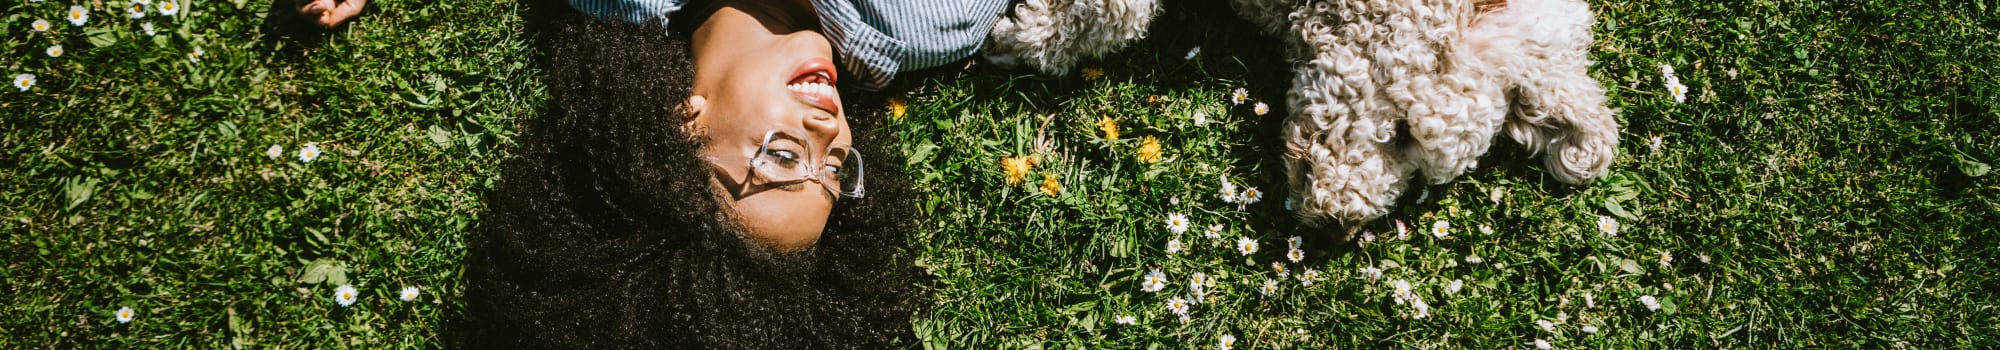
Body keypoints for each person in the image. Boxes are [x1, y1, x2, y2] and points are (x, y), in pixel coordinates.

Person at [465, 2, 924, 347]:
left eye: (783, 156)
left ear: (679, 127)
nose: (831, 132)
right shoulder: (932, 25)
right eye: (835, 169)